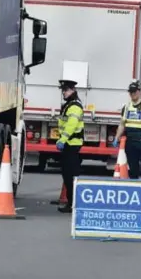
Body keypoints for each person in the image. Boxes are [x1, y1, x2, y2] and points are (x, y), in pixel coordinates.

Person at [113, 80, 141, 204]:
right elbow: (122, 124)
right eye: (131, 92)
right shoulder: (126, 107)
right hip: (131, 141)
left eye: (135, 92)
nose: (133, 94)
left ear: (139, 92)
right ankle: (135, 193)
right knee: (133, 169)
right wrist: (117, 138)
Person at [55, 79, 84, 213]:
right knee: (67, 175)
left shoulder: (75, 106)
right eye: (63, 90)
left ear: (73, 90)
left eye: (66, 90)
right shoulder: (69, 104)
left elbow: (71, 125)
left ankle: (74, 204)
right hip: (68, 144)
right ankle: (71, 203)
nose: (64, 93)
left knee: (70, 175)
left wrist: (63, 139)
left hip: (72, 144)